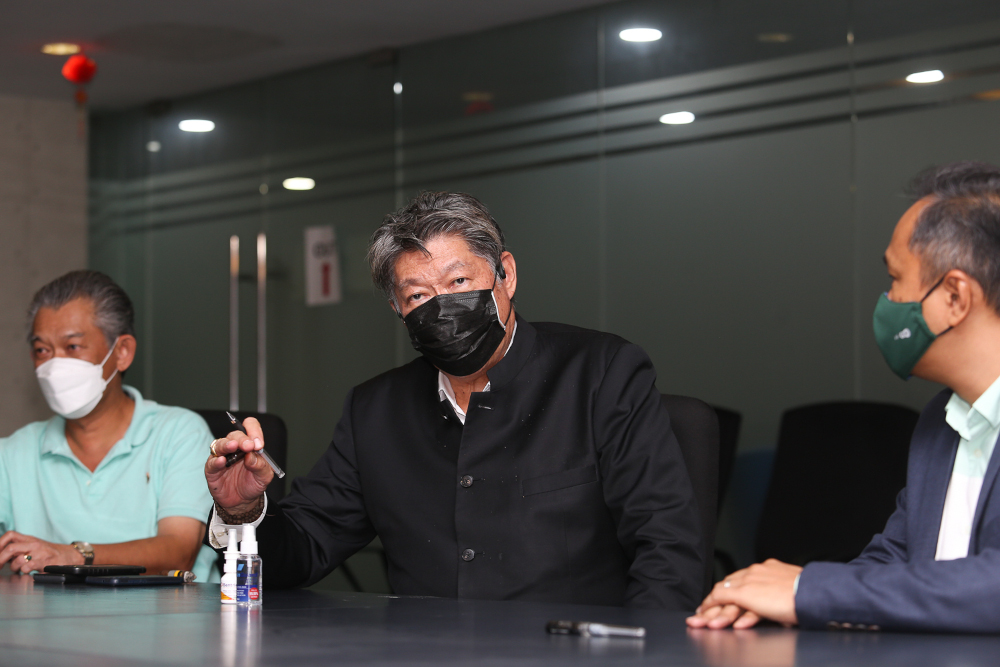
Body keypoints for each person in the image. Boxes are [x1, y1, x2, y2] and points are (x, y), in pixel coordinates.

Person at [206, 192, 703, 608]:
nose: (441, 307)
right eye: (418, 295)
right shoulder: (376, 411)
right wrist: (243, 511)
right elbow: (306, 548)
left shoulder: (601, 373)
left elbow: (666, 549)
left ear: (504, 274)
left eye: (459, 282)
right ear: (398, 310)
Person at [687, 161, 1000, 633]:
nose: (887, 302)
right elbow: (896, 557)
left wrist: (807, 592)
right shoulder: (943, 418)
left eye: (896, 280)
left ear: (955, 296)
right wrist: (773, 596)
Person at [0, 270, 218, 582]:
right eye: (41, 350)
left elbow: (178, 552)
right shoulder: (12, 453)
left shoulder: (179, 434)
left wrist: (75, 556)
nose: (52, 366)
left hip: (163, 627)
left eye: (72, 347)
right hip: (44, 628)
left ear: (122, 352)